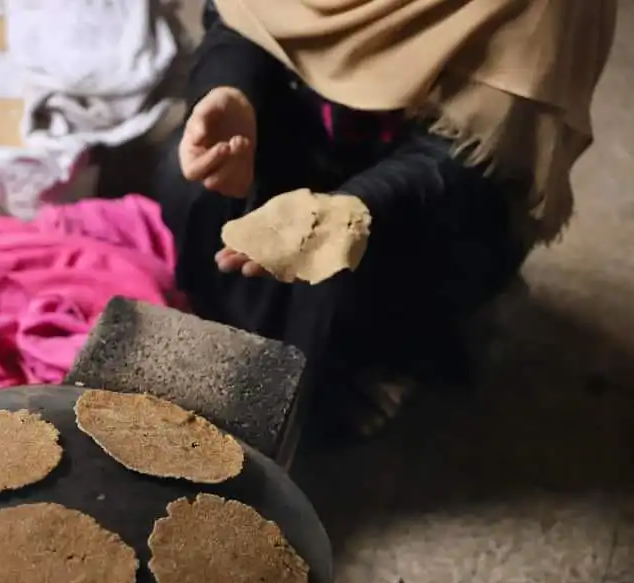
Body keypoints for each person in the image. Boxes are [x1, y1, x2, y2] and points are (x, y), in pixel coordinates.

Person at [154, 0, 616, 438]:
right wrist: (231, 90)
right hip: (303, 124)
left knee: (334, 271)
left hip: (437, 186)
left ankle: (358, 376)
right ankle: (250, 353)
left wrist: (355, 208)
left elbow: (489, 152)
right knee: (192, 181)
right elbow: (242, 18)